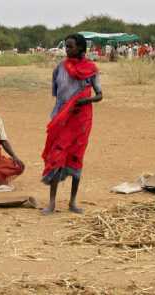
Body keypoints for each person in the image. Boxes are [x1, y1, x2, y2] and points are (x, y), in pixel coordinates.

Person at [41, 34, 102, 215]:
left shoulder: (91, 69)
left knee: (76, 157)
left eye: (70, 47)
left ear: (81, 48)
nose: (67, 50)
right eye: (66, 47)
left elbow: (99, 95)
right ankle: (51, 203)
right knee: (56, 156)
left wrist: (84, 101)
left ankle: (72, 202)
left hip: (80, 121)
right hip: (61, 119)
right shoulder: (59, 68)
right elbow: (57, 95)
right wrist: (65, 108)